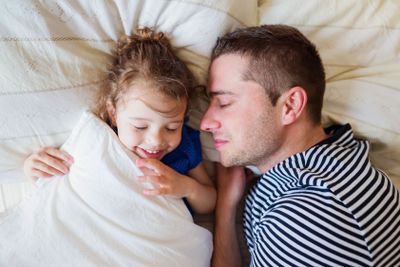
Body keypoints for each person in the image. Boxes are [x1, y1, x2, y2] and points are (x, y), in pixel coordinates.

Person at [200, 24, 400, 266]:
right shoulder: (341, 168)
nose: (205, 123)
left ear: (290, 106)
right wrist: (226, 207)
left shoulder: (305, 216)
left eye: (224, 102)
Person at [23, 27, 216, 215]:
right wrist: (33, 168)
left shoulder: (185, 146)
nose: (157, 140)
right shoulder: (99, 141)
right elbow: (57, 189)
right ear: (113, 114)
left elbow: (209, 203)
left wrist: (187, 188)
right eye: (141, 126)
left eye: (172, 127)